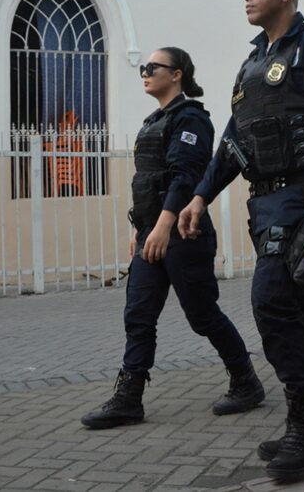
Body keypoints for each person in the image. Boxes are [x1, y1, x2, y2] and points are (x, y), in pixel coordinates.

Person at [178, 0, 304, 481]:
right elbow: (233, 141)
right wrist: (200, 196)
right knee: (301, 308)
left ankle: (303, 425)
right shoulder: (251, 65)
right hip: (264, 205)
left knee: (271, 299)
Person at [80, 47, 264, 430]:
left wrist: (163, 226)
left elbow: (184, 177)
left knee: (202, 315)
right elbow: (147, 181)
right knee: (138, 314)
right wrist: (141, 228)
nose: (145, 73)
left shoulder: (192, 119)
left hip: (182, 231)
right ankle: (129, 398)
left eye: (153, 67)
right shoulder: (153, 121)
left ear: (177, 74)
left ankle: (246, 381)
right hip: (153, 230)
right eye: (143, 68)